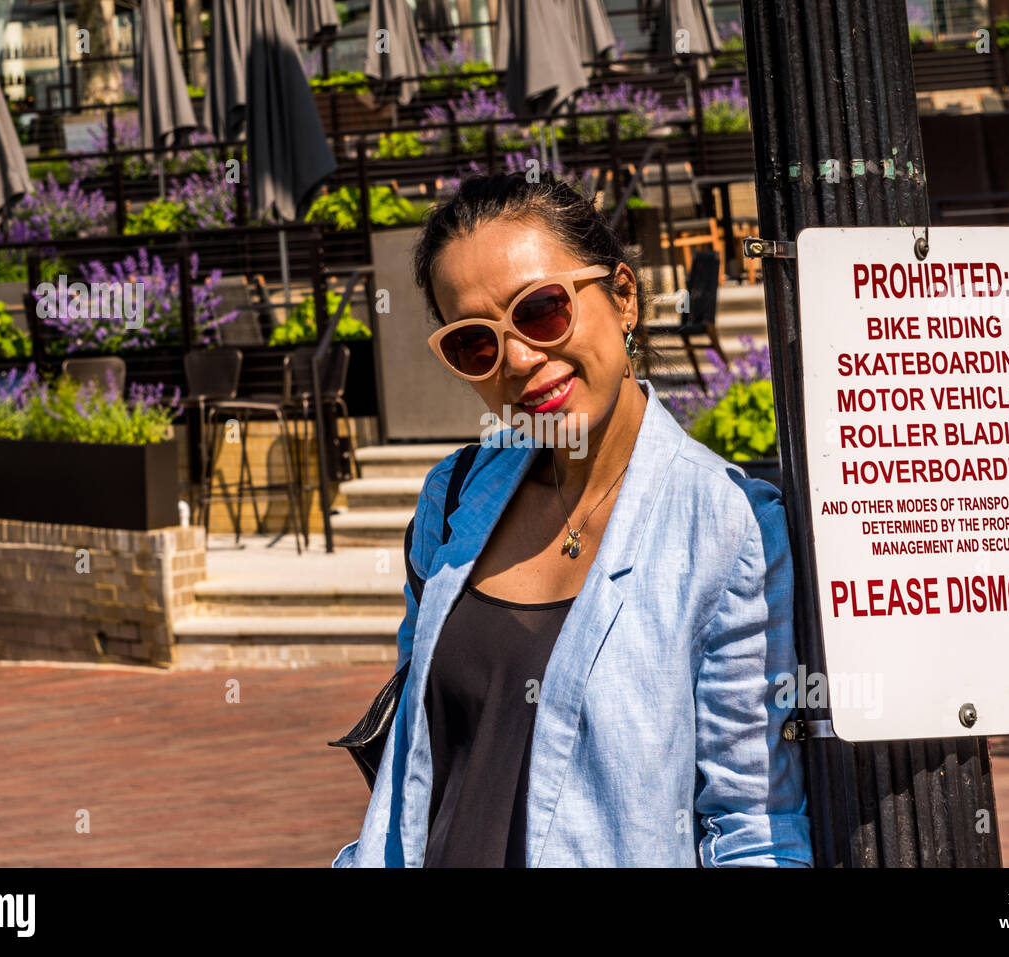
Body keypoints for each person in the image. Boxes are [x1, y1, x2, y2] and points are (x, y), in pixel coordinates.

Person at [333, 173, 811, 867]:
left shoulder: (726, 525)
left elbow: (754, 829)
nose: (520, 359)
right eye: (474, 342)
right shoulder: (453, 497)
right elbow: (413, 764)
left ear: (623, 296)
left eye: (542, 309)